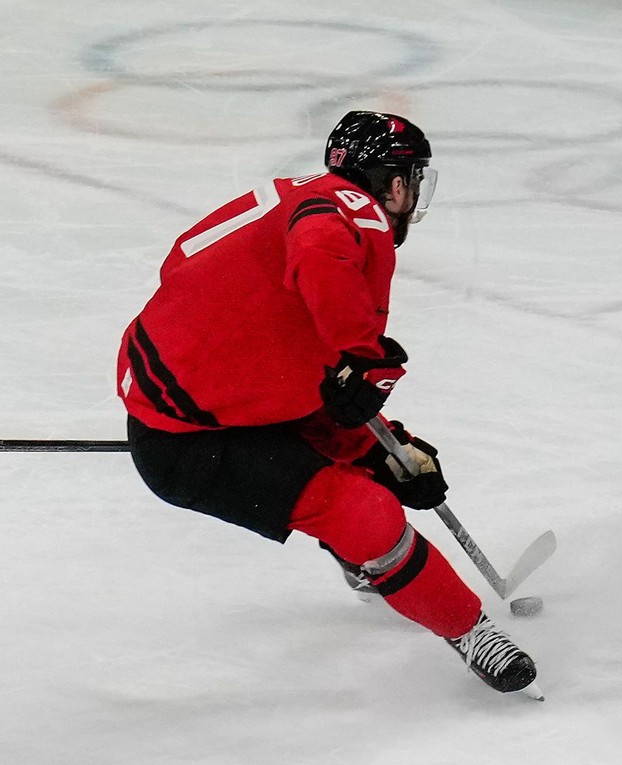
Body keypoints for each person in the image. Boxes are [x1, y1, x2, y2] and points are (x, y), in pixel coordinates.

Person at [116, 111, 539, 697]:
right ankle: (469, 632)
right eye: (412, 180)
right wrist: (360, 353)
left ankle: (372, 555)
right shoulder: (350, 213)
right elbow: (320, 252)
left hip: (205, 397)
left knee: (381, 462)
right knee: (364, 514)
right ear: (394, 184)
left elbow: (276, 343)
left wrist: (383, 445)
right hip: (193, 444)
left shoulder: (294, 195)